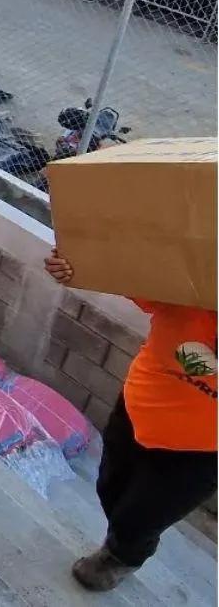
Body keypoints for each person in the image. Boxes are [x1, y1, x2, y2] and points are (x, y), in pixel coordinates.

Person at [44, 248, 217, 592]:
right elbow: (128, 268)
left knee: (143, 516)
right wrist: (76, 265)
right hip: (140, 408)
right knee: (110, 484)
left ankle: (122, 556)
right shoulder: (196, 277)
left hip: (201, 449)